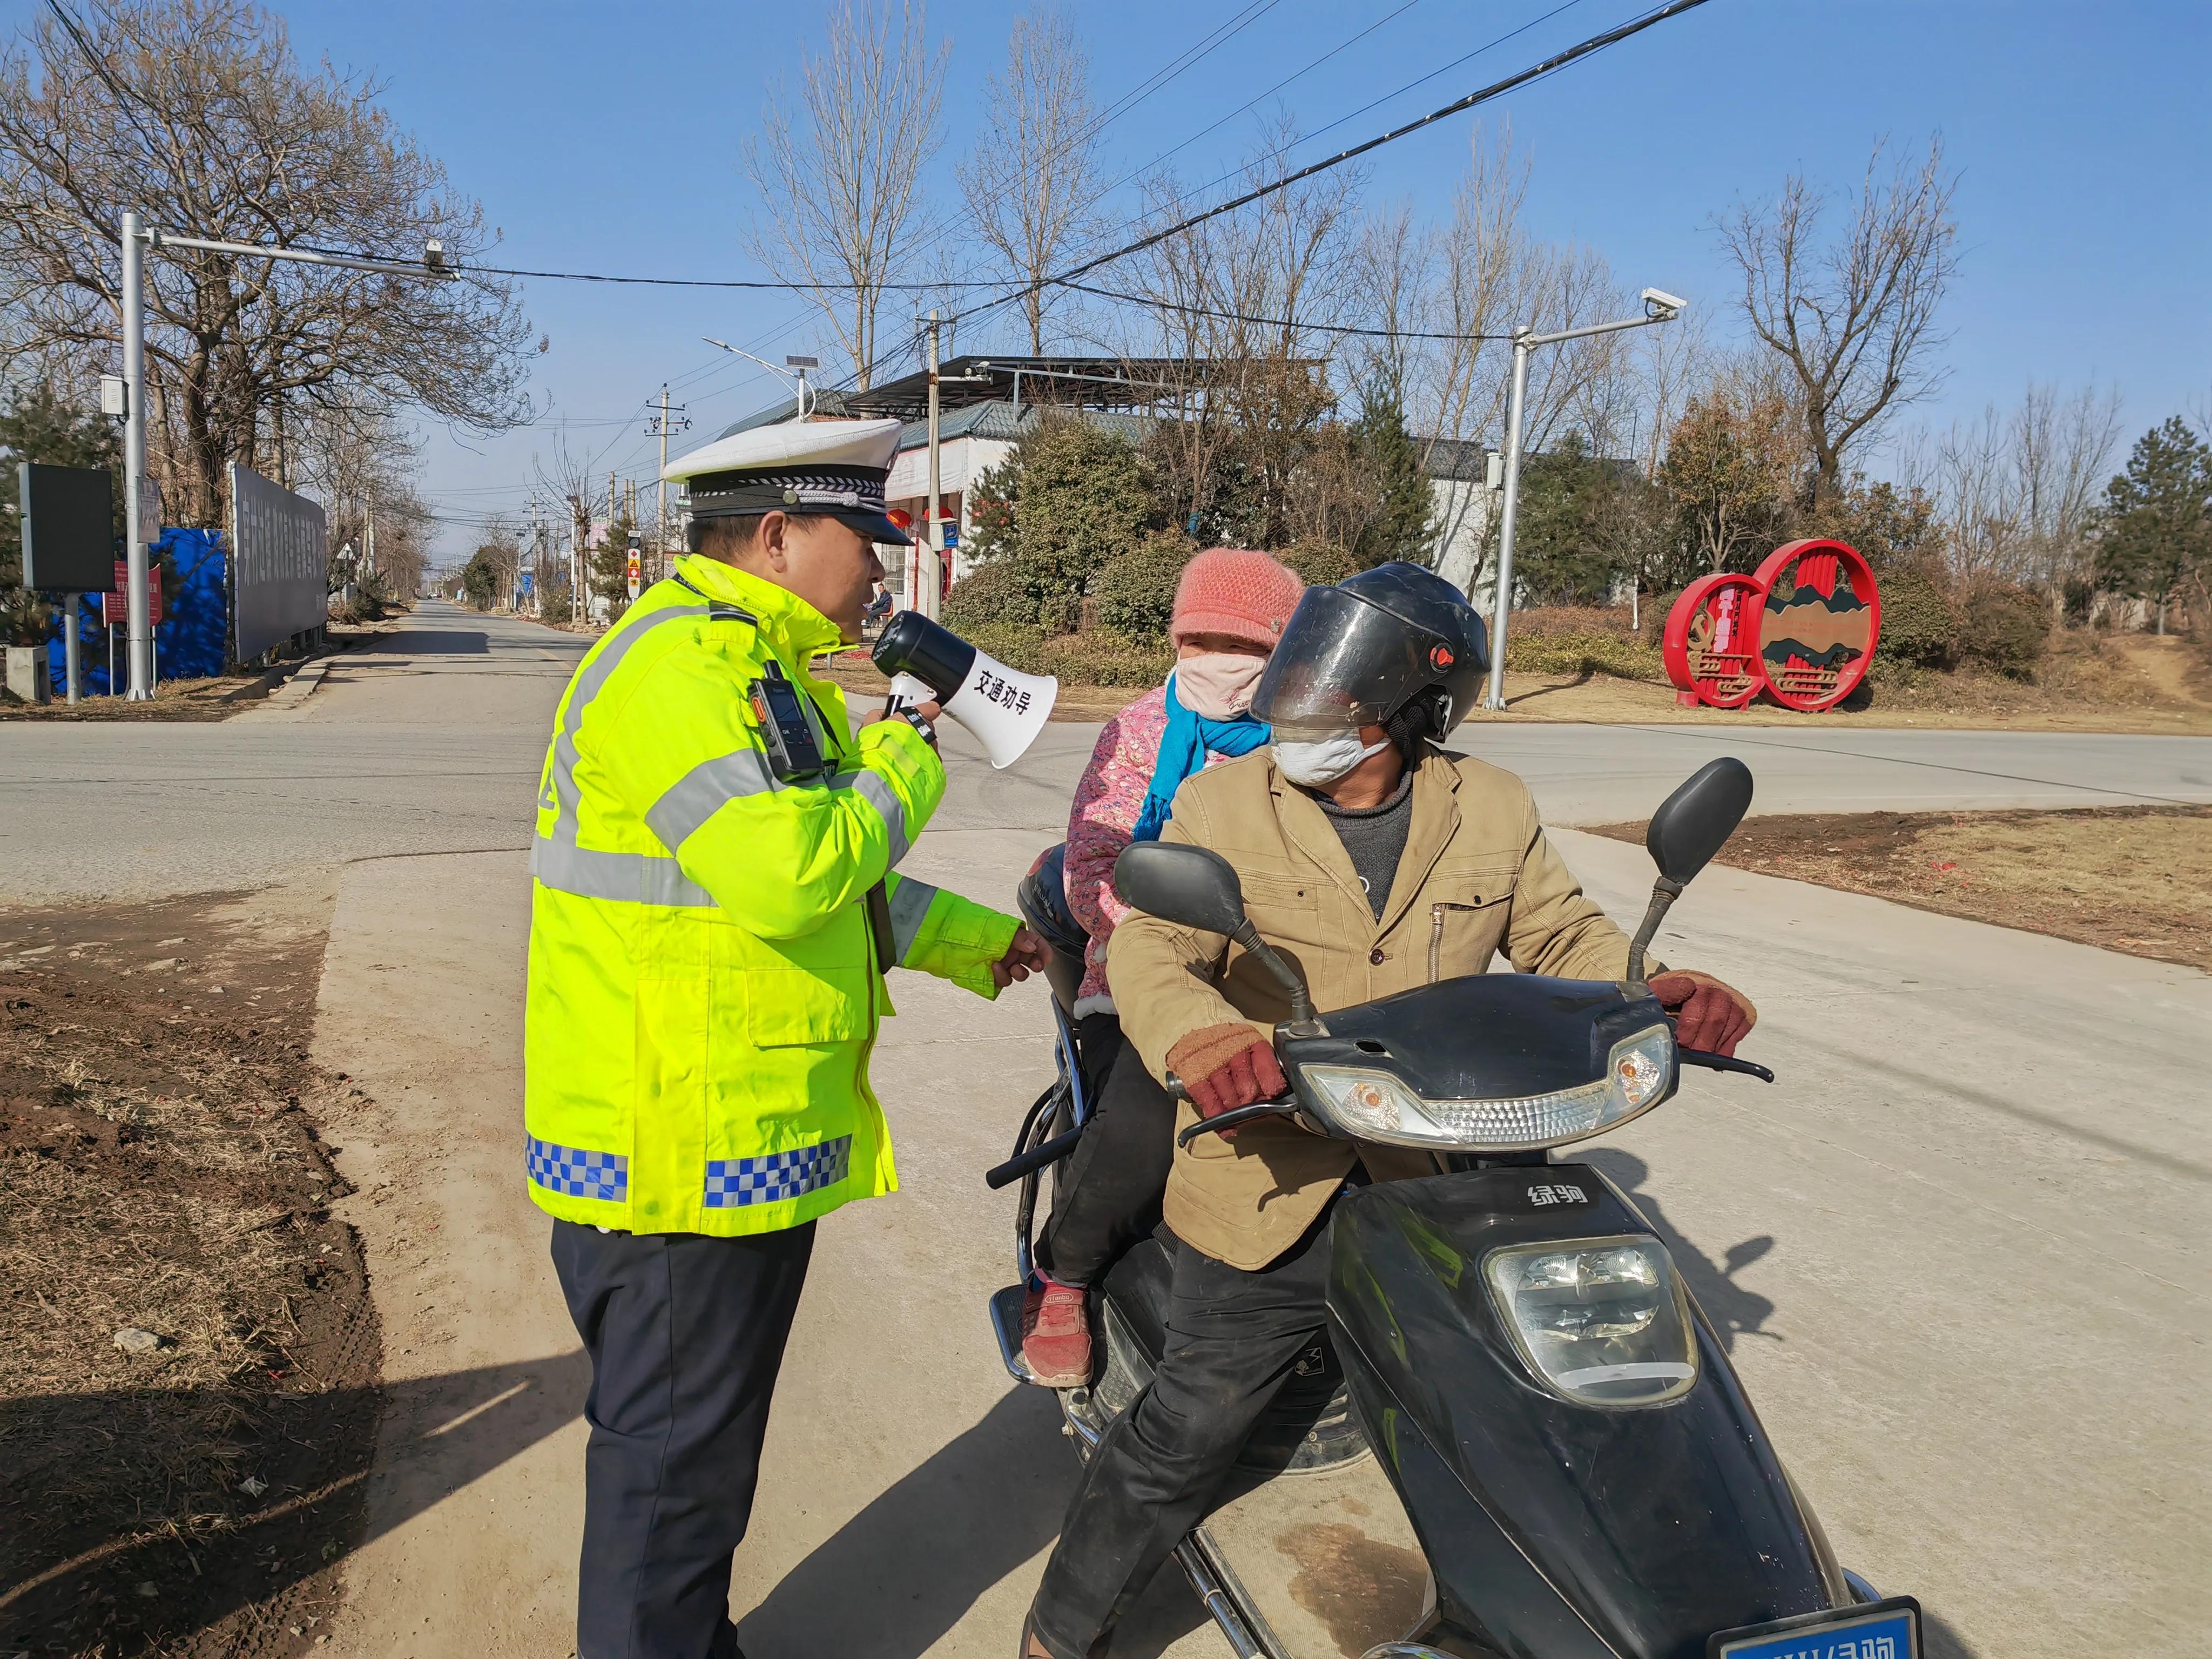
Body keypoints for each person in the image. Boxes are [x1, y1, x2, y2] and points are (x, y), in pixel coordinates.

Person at [1021, 563, 1756, 1659]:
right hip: (1275, 1172)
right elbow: (1154, 944)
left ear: (1410, 713)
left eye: (1337, 705)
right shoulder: (1227, 800)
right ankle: (1053, 1637)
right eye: (1300, 691)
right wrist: (1203, 1037)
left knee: (1559, 1417)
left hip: (1451, 1176)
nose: (1303, 719)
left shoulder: (1489, 805)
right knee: (1187, 1435)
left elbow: (1561, 935)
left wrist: (1649, 987)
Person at [523, 415, 1050, 1659]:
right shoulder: (678, 675)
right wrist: (909, 751)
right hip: (673, 1164)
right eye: (859, 537)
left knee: (697, 1471)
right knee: (668, 1482)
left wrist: (980, 941)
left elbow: (813, 887)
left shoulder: (760, 673)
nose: (877, 568)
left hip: (727, 1144)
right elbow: (791, 875)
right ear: (775, 537)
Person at [1022, 548, 1304, 1386]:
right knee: (1143, 1124)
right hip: (1150, 971)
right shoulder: (1140, 731)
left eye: (1248, 645)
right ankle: (1064, 1279)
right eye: (1202, 640)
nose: (1222, 662)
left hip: (1283, 975)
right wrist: (1153, 942)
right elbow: (1092, 865)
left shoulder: (1312, 737)